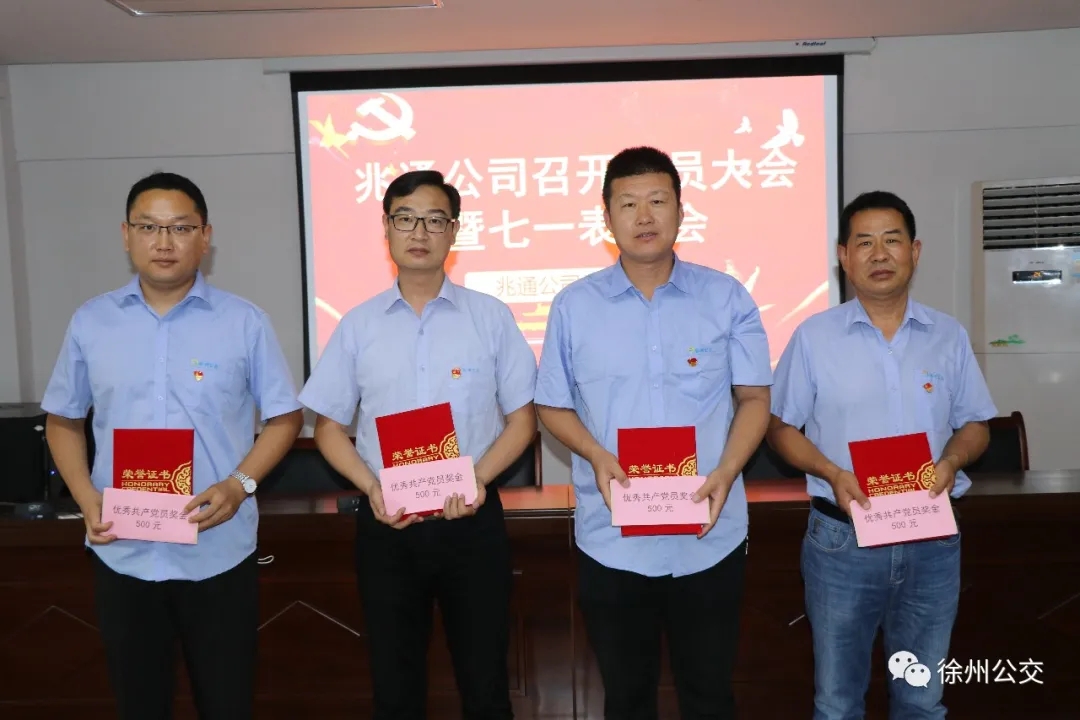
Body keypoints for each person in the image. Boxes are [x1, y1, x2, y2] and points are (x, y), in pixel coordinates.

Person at [41, 171, 304, 720]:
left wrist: (240, 485)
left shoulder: (244, 322)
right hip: (123, 551)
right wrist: (86, 498)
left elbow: (285, 418)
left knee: (227, 704)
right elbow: (63, 418)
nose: (164, 242)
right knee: (139, 706)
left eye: (180, 228)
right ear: (126, 235)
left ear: (205, 237)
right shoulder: (91, 322)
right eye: (149, 227)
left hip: (218, 551)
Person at [534, 146, 773, 720]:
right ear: (607, 217)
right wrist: (594, 453)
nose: (644, 216)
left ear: (681, 212)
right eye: (629, 204)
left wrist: (727, 471)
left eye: (658, 201)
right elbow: (551, 406)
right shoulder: (574, 306)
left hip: (709, 536)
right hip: (613, 539)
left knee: (710, 698)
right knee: (627, 700)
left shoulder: (726, 298)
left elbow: (754, 399)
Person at [297, 169, 538, 720]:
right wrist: (371, 487)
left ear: (454, 231)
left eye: (434, 220)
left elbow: (522, 421)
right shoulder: (357, 325)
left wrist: (478, 480)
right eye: (405, 218)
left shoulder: (490, 318)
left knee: (486, 686)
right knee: (395, 688)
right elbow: (328, 428)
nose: (420, 232)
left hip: (472, 524)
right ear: (386, 228)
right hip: (388, 527)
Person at [766, 190, 998, 720]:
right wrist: (830, 471)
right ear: (843, 257)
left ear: (915, 251)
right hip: (842, 539)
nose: (879, 254)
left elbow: (977, 425)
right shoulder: (814, 337)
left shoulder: (948, 335)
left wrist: (951, 461)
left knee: (922, 698)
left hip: (932, 537)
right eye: (864, 242)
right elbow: (779, 428)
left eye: (892, 240)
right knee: (838, 702)